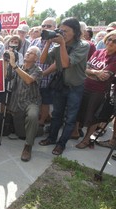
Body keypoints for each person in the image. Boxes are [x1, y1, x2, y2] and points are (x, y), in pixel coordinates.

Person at [38, 17, 90, 155]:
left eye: (66, 31)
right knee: (56, 115)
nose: (63, 34)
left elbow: (66, 63)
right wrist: (48, 43)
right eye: (61, 30)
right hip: (60, 85)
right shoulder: (58, 45)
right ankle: (51, 138)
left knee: (70, 118)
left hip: (75, 87)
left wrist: (61, 44)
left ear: (76, 32)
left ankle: (61, 144)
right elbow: (43, 60)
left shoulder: (83, 46)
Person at [71, 30, 116, 149]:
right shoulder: (98, 52)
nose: (111, 42)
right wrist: (95, 72)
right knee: (78, 111)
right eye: (109, 39)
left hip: (98, 92)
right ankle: (75, 132)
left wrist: (90, 72)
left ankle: (86, 140)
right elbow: (84, 68)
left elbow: (104, 77)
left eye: (115, 41)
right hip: (84, 86)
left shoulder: (114, 59)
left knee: (93, 117)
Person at [7, 46, 42, 161]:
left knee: (32, 116)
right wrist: (6, 61)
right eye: (27, 52)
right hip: (17, 102)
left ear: (36, 58)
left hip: (31, 102)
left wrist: (15, 66)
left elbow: (28, 80)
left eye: (31, 53)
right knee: (21, 134)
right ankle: (38, 130)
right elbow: (6, 77)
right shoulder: (18, 67)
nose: (27, 54)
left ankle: (28, 146)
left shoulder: (38, 70)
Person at [29, 17, 57, 136]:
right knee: (34, 100)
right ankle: (33, 120)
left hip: (47, 79)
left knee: (45, 102)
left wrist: (41, 75)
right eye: (43, 26)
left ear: (54, 28)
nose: (45, 28)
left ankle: (41, 122)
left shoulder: (57, 43)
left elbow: (56, 64)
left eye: (48, 26)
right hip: (33, 78)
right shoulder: (35, 41)